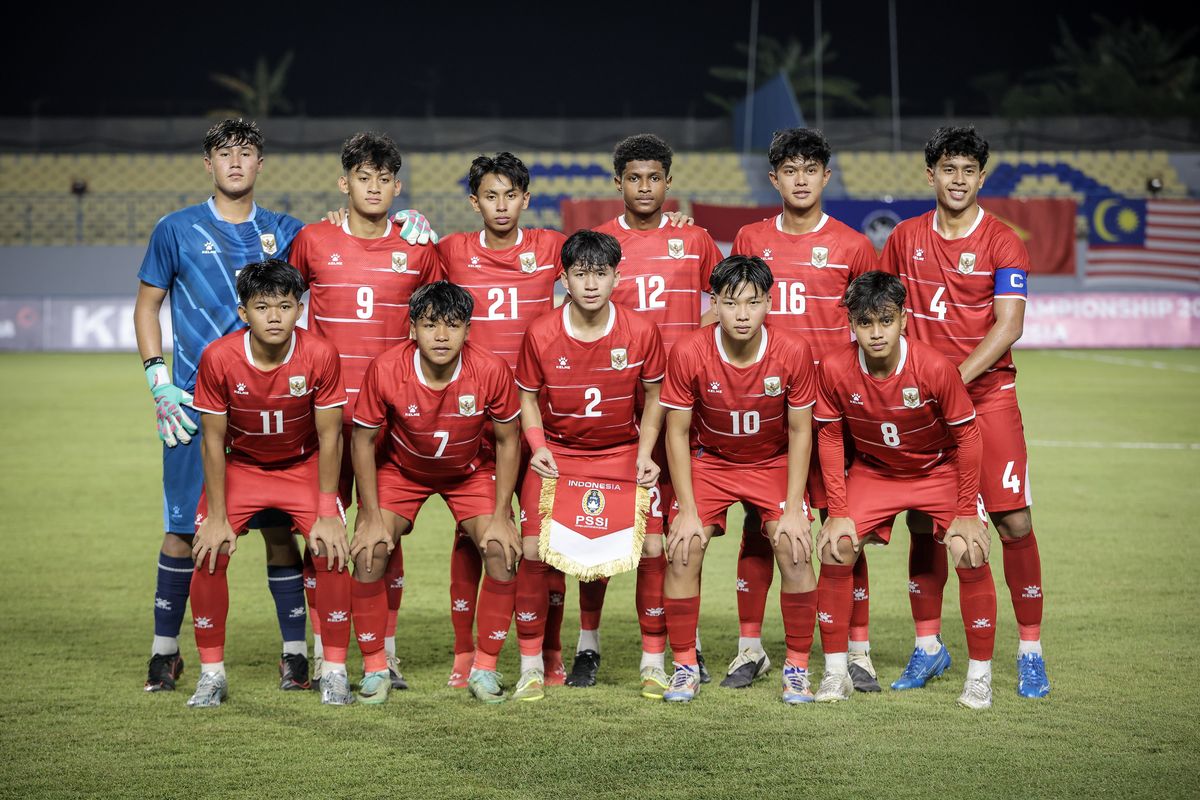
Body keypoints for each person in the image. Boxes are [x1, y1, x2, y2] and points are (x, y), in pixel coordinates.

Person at [133, 119, 309, 692]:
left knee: (280, 530)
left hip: (270, 411)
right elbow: (147, 306)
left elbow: (345, 246)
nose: (236, 161)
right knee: (183, 530)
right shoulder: (175, 229)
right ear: (207, 163)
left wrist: (403, 222)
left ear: (260, 163)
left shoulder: (287, 231)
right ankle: (165, 653)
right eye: (224, 153)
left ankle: (295, 654)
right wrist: (158, 380)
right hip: (192, 406)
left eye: (246, 152)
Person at [880, 126, 1049, 698]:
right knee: (923, 523)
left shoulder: (1003, 242)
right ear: (931, 174)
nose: (958, 180)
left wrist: (950, 380)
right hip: (922, 407)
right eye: (948, 169)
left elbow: (1009, 325)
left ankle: (1030, 651)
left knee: (1013, 522)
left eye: (968, 171)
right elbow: (886, 311)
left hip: (987, 399)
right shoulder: (904, 237)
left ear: (981, 176)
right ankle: (928, 647)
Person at [728, 128, 881, 692]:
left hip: (835, 412)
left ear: (825, 177)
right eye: (790, 170)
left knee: (845, 529)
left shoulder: (853, 246)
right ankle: (750, 648)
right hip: (767, 410)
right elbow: (733, 309)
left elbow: (873, 324)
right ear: (774, 179)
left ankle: (857, 651)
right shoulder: (750, 237)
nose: (800, 179)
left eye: (810, 169)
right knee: (759, 526)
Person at [567, 133, 723, 687]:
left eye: (654, 177)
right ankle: (588, 643)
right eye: (634, 178)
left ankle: (685, 641)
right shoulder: (599, 243)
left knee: (679, 531)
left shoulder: (695, 238)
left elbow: (726, 300)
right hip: (618, 408)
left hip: (685, 408)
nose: (644, 187)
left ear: (668, 182)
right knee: (601, 527)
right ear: (618, 183)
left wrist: (691, 345)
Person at [289, 131, 443, 691]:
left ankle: (387, 651)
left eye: (384, 179)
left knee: (382, 535)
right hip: (324, 419)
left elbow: (440, 322)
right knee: (323, 533)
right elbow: (281, 307)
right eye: (363, 178)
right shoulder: (312, 240)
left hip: (391, 421)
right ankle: (322, 650)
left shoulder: (418, 249)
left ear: (397, 187)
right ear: (344, 183)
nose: (373, 188)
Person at [810, 270, 997, 709]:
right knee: (836, 547)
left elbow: (968, 437)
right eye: (865, 323)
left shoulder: (934, 367)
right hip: (877, 472)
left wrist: (966, 512)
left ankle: (980, 678)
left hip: (937, 469)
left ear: (904, 320)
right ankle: (837, 673)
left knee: (970, 549)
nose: (876, 333)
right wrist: (837, 511)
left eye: (886, 321)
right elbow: (830, 437)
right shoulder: (834, 369)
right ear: (851, 324)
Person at [185, 259, 352, 707]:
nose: (274, 316)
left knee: (332, 548)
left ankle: (334, 671)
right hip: (243, 468)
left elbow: (330, 436)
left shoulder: (320, 354)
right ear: (244, 313)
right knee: (208, 549)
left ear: (300, 309)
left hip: (303, 466)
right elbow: (212, 441)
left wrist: (327, 509)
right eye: (262, 307)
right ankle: (211, 675)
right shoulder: (219, 357)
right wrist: (216, 516)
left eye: (284, 306)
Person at [348, 281, 522, 704]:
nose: (441, 336)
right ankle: (375, 668)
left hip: (469, 471)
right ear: (412, 329)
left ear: (468, 330)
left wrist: (503, 514)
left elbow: (508, 440)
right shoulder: (386, 369)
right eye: (430, 325)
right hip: (402, 469)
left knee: (501, 549)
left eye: (453, 326)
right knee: (369, 550)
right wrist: (369, 517)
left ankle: (485, 668)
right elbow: (362, 441)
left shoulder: (491, 369)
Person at [513, 229, 667, 701]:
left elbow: (656, 397)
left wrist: (645, 452)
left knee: (653, 547)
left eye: (601, 273)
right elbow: (527, 397)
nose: (592, 284)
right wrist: (537, 445)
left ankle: (653, 663)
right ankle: (530, 667)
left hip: (620, 452)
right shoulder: (541, 332)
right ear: (564, 279)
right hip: (559, 455)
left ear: (617, 277)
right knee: (533, 550)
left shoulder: (641, 331)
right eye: (581, 274)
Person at [434, 152, 569, 687]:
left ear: (526, 199)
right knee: (475, 535)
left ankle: (550, 651)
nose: (502, 205)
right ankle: (464, 652)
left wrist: (670, 220)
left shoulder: (551, 247)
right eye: (491, 196)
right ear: (475, 202)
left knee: (545, 539)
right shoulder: (450, 251)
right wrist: (404, 223)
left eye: (511, 195)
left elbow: (604, 255)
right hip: (475, 421)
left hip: (539, 417)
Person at [659, 255, 819, 704]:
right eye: (730, 303)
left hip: (771, 461)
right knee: (684, 548)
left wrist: (793, 508)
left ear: (769, 302)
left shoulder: (793, 351)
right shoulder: (689, 351)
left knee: (795, 547)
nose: (742, 314)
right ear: (714, 304)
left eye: (752, 302)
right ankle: (685, 666)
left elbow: (801, 431)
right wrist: (687, 510)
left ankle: (797, 669)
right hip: (711, 462)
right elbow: (676, 433)